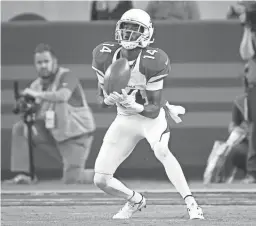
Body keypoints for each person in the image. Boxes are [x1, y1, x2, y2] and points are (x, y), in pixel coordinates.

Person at [91, 8, 204, 220]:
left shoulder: (153, 59)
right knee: (101, 179)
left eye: (135, 30)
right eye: (126, 28)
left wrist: (137, 107)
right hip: (124, 119)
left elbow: (154, 109)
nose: (129, 34)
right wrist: (106, 100)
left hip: (149, 118)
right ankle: (135, 200)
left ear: (147, 34)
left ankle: (192, 203)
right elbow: (99, 98)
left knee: (161, 149)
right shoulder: (104, 55)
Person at [6, 43, 95, 184]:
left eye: (46, 61)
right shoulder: (36, 85)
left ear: (54, 62)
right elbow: (33, 110)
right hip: (56, 136)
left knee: (73, 179)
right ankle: (26, 174)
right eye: (39, 62)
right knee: (21, 127)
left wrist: (37, 95)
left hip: (76, 137)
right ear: (35, 65)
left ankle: (105, 176)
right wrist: (24, 106)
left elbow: (62, 96)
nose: (43, 66)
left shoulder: (67, 76)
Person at [239, 2, 256, 183]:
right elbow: (246, 54)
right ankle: (253, 171)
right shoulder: (251, 33)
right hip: (254, 87)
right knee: (254, 129)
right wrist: (248, 29)